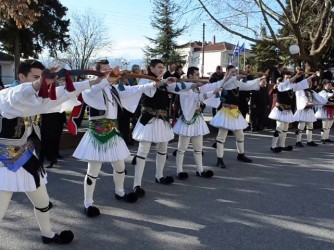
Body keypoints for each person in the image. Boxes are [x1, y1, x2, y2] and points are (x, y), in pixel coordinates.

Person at [0, 59, 104, 244]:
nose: (43, 81)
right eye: (36, 77)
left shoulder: (38, 98)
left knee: (42, 202)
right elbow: (17, 96)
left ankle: (47, 234)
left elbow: (61, 92)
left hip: (27, 156)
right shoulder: (8, 94)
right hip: (3, 162)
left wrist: (93, 81)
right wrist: (39, 83)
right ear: (21, 76)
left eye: (44, 77)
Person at [73, 62, 167, 217]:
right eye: (105, 70)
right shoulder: (91, 89)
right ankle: (88, 203)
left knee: (120, 166)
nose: (109, 71)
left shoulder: (113, 89)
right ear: (97, 73)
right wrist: (107, 78)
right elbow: (95, 88)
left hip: (112, 132)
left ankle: (120, 192)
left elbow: (132, 90)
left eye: (109, 68)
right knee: (93, 171)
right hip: (97, 133)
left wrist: (155, 83)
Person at [131, 59, 192, 198]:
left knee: (163, 149)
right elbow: (151, 92)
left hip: (162, 120)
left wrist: (194, 85)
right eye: (159, 67)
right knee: (143, 151)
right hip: (148, 120)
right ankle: (137, 184)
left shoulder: (165, 83)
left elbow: (179, 88)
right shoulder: (144, 81)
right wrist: (164, 81)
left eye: (162, 67)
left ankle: (159, 176)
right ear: (151, 68)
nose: (161, 69)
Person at [173, 66, 224, 179]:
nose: (198, 76)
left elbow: (210, 86)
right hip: (187, 120)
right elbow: (198, 97)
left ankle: (200, 170)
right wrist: (212, 92)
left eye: (198, 74)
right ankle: (179, 171)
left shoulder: (197, 87)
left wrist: (226, 78)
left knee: (198, 148)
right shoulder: (185, 88)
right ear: (190, 75)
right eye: (196, 74)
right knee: (182, 148)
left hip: (197, 119)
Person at [210, 65, 267, 167]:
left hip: (235, 112)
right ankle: (219, 159)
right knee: (221, 136)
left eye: (235, 71)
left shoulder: (236, 84)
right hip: (226, 111)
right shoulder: (225, 81)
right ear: (227, 72)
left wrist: (260, 80)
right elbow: (229, 81)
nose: (235, 73)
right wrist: (237, 76)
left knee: (240, 134)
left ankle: (241, 155)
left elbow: (248, 85)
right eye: (232, 72)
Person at [268, 73, 309, 153]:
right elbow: (286, 83)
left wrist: (310, 77)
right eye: (287, 78)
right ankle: (273, 146)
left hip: (287, 110)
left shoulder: (291, 88)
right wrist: (296, 76)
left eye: (290, 77)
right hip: (280, 110)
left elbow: (301, 84)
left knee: (285, 129)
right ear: (283, 79)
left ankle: (282, 145)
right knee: (279, 127)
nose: (289, 79)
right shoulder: (281, 86)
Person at [294, 75, 328, 147]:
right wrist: (307, 103)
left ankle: (309, 141)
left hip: (309, 109)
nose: (310, 83)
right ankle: (298, 141)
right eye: (308, 82)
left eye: (310, 82)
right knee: (301, 126)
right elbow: (301, 100)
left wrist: (325, 102)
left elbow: (319, 98)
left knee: (310, 126)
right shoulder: (300, 90)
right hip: (303, 109)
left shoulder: (311, 91)